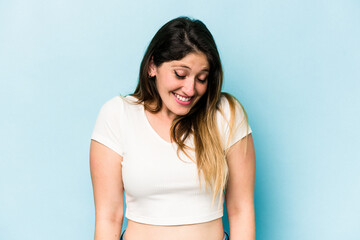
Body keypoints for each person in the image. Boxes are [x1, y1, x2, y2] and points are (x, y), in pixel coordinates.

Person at [90, 16, 256, 240]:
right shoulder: (117, 115)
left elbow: (241, 210)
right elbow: (108, 216)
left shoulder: (225, 114)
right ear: (152, 67)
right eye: (180, 74)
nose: (190, 89)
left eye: (202, 78)